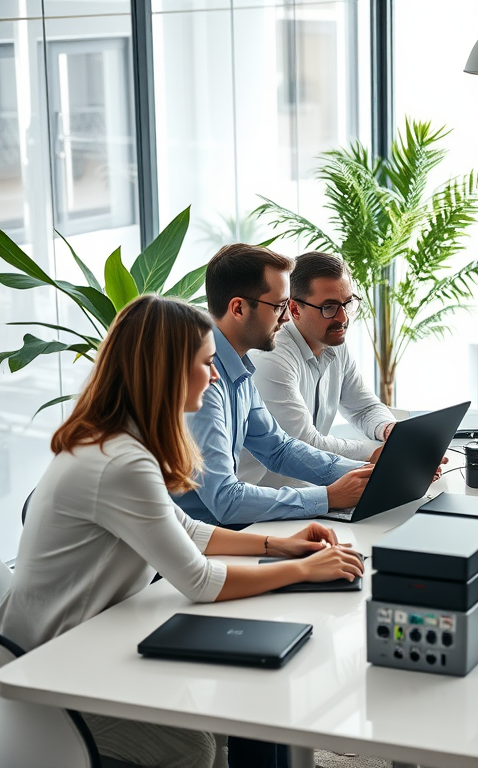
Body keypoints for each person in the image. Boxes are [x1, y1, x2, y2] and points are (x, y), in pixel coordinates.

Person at [0, 295, 365, 768]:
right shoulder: (120, 460)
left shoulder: (122, 440)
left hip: (91, 640)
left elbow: (188, 529)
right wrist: (303, 568)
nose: (215, 376)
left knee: (214, 715)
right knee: (193, 746)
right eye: (206, 363)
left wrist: (280, 545)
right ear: (168, 370)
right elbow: (200, 581)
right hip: (56, 672)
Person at [175, 244, 374, 526]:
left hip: (227, 534)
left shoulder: (238, 368)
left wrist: (371, 473)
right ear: (239, 308)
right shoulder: (204, 380)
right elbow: (225, 501)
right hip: (200, 545)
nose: (286, 317)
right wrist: (328, 498)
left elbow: (279, 449)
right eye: (280, 306)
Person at [238, 251, 395, 486]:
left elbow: (364, 408)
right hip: (262, 502)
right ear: (294, 310)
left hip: (311, 490)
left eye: (348, 303)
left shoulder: (333, 341)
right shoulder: (271, 353)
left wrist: (388, 430)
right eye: (329, 307)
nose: (343, 318)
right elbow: (303, 441)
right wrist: (374, 454)